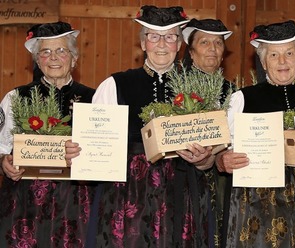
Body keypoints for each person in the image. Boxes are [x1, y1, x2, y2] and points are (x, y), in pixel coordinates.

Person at [65, 6, 216, 247]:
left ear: (179, 44)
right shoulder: (114, 85)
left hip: (182, 191)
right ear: (143, 43)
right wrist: (79, 155)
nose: (162, 44)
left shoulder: (203, 87)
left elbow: (211, 159)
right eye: (153, 36)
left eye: (170, 37)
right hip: (127, 194)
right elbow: (93, 146)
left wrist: (204, 160)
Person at [215, 20, 295, 247]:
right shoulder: (242, 98)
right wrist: (222, 160)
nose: (282, 61)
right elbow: (222, 150)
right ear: (263, 63)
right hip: (258, 201)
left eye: (289, 53)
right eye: (274, 56)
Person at [0, 21, 95, 247]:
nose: (53, 57)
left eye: (62, 51)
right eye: (45, 52)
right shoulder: (15, 98)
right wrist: (4, 164)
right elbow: (0, 148)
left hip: (76, 200)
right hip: (25, 201)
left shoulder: (95, 99)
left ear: (74, 59)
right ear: (37, 60)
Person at [182, 17, 237, 244]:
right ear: (191, 52)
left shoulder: (234, 91)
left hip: (222, 180)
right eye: (204, 43)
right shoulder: (178, 87)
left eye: (218, 43)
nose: (212, 49)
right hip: (184, 176)